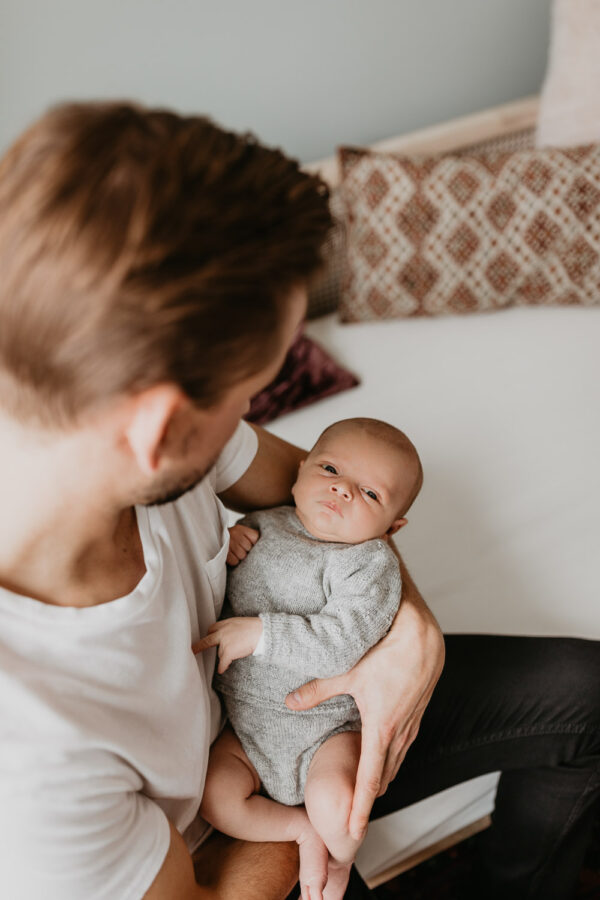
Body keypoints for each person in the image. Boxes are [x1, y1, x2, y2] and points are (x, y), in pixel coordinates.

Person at [0, 101, 596, 900]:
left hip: (318, 695)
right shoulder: (30, 750)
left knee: (586, 696)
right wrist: (300, 817)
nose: (254, 415)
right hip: (230, 831)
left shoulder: (110, 415)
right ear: (161, 430)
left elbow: (313, 490)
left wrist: (411, 637)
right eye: (250, 390)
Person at [196, 418, 423, 900]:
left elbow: (341, 643)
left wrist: (263, 635)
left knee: (338, 805)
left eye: (370, 494)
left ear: (392, 528)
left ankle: (338, 859)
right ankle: (300, 831)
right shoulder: (262, 523)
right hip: (248, 728)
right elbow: (220, 588)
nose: (341, 489)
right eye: (330, 468)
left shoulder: (369, 564)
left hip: (324, 728)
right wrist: (229, 547)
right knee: (215, 797)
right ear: (298, 473)